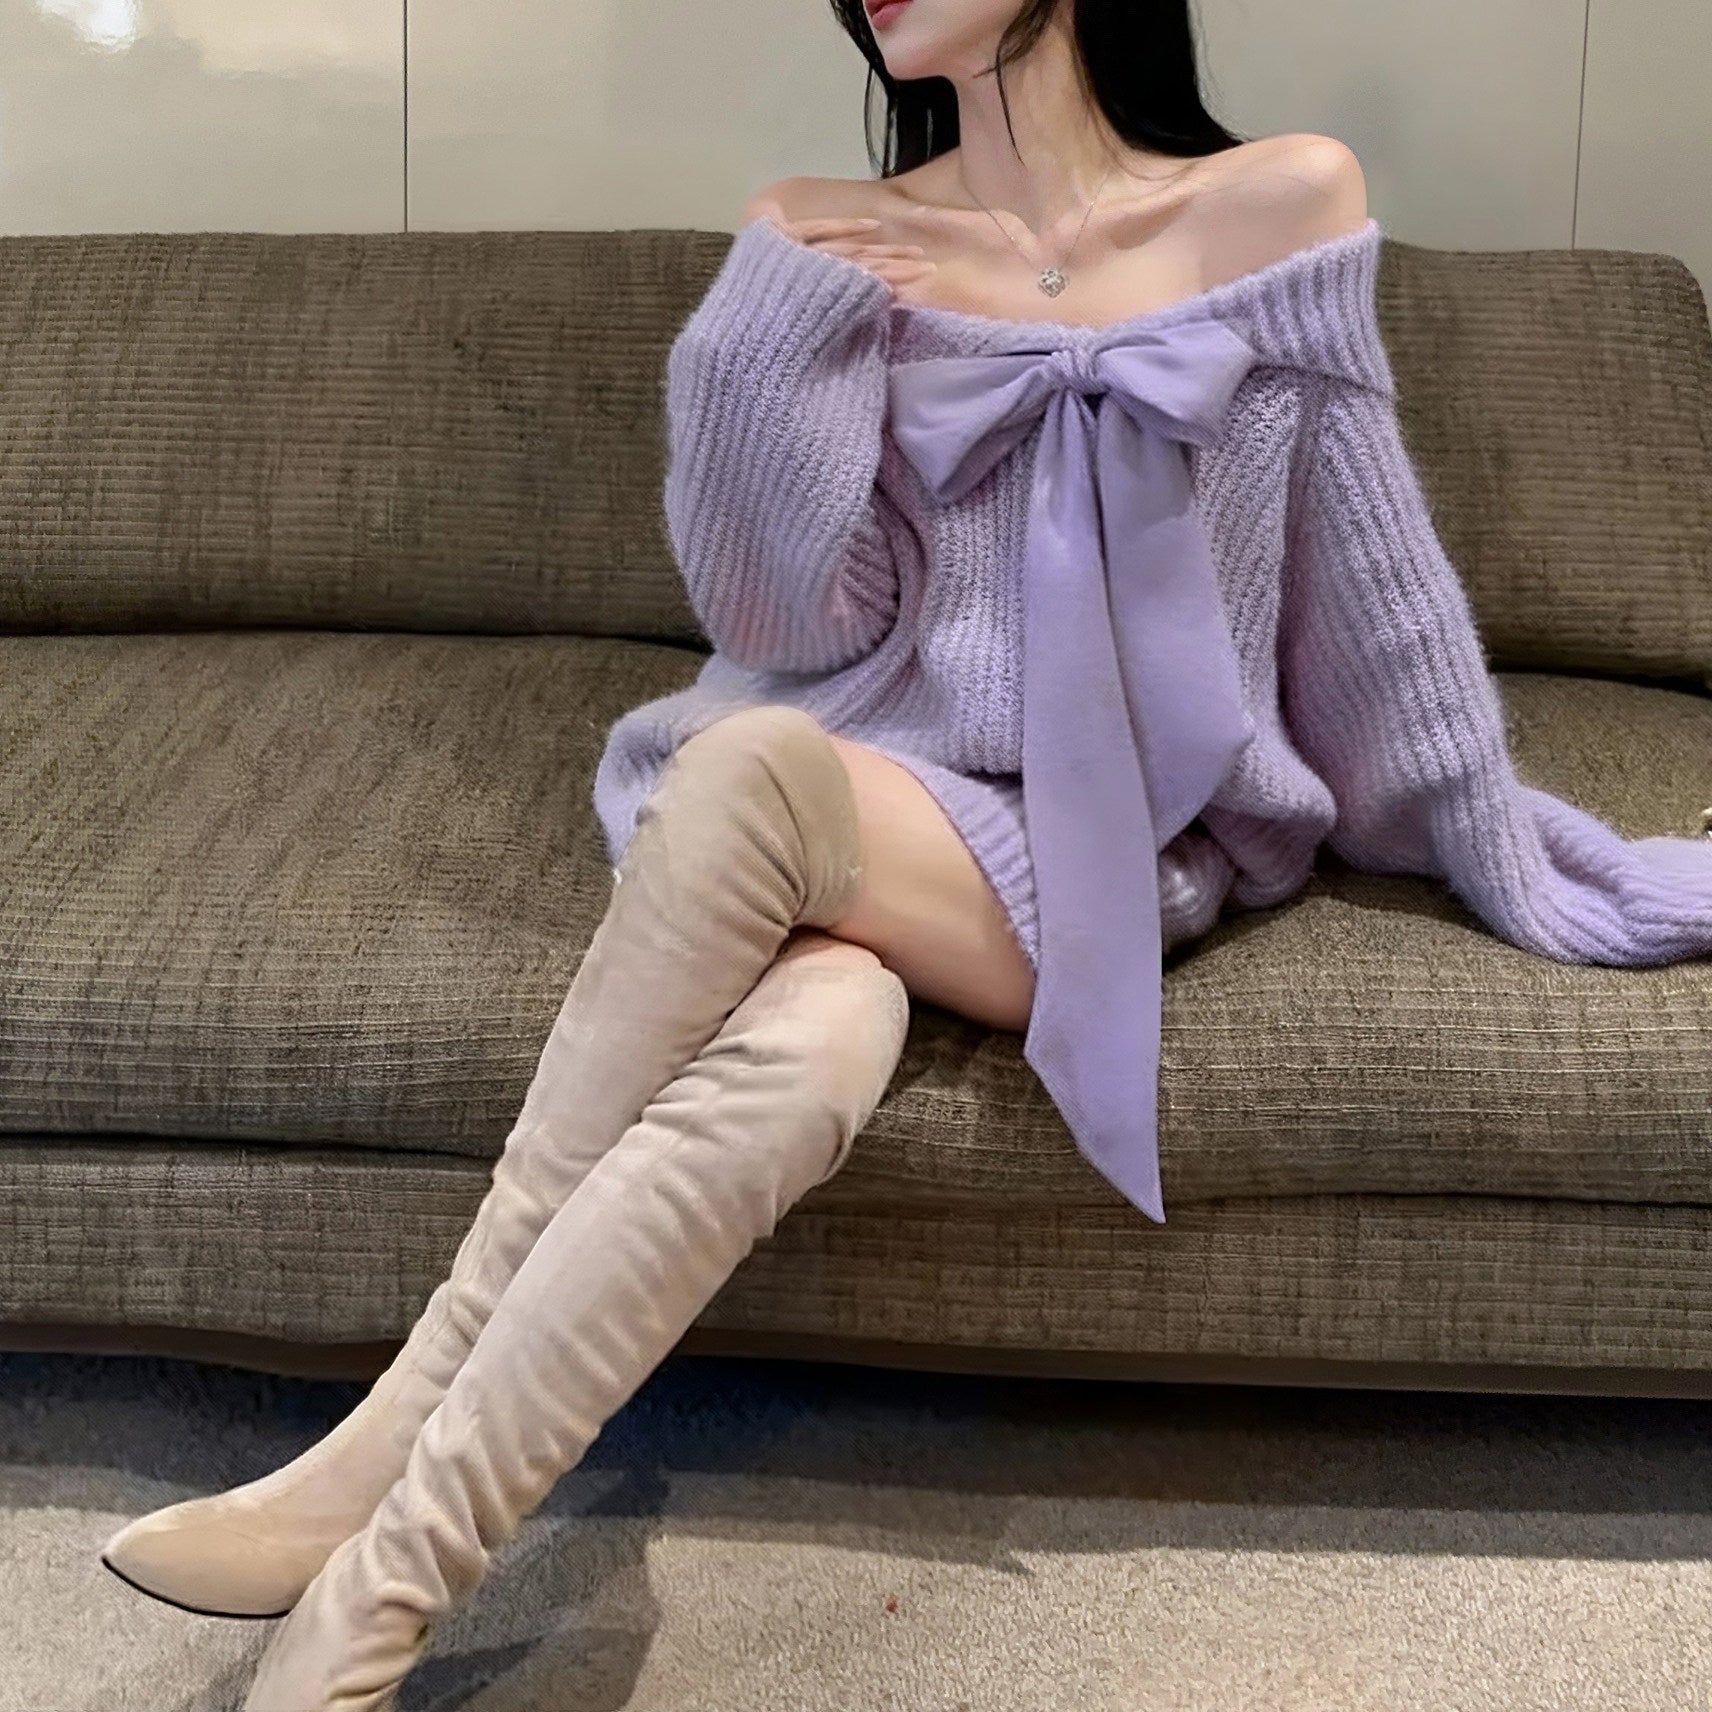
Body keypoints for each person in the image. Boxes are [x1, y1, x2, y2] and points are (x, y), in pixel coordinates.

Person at [100, 0, 1712, 1705]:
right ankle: (371, 1611)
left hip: (1080, 851)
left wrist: (1511, 847)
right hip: (866, 792)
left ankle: (376, 1447)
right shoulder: (832, 237)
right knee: (805, 1050)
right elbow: (791, 623)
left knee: (749, 775)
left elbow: (1370, 596)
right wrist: (762, 352)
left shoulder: (1283, 202)